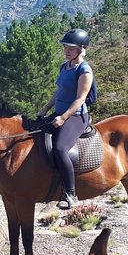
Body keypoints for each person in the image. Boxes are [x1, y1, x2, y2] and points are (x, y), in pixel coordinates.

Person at [38, 28, 94, 210]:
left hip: (76, 116)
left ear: (81, 49)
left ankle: (70, 193)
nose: (66, 51)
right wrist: (46, 108)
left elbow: (80, 99)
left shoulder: (84, 70)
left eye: (71, 48)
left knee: (60, 148)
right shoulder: (65, 67)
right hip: (59, 113)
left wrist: (63, 117)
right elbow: (59, 91)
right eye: (65, 47)